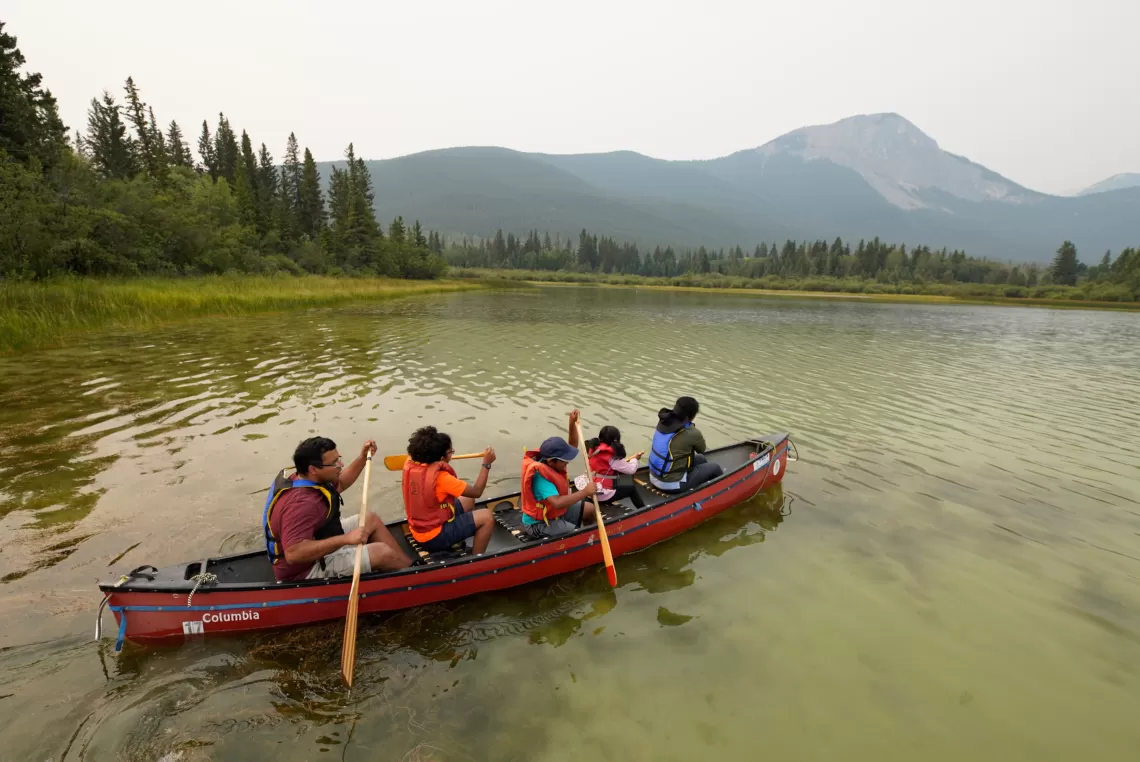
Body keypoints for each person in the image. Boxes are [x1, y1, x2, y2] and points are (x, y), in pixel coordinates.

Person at [263, 436, 411, 582]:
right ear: (313, 469)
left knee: (369, 519)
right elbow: (293, 553)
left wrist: (362, 458)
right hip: (305, 571)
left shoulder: (306, 478)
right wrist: (346, 539)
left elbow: (340, 484)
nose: (340, 464)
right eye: (334, 463)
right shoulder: (302, 503)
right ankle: (417, 581)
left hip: (318, 541)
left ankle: (409, 569)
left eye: (338, 458)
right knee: (381, 553)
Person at [402, 426, 497, 555]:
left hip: (419, 530)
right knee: (487, 517)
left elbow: (471, 495)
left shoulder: (411, 464)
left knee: (468, 499)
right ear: (441, 458)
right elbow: (477, 491)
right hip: (434, 538)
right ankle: (476, 561)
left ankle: (455, 540)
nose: (452, 454)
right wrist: (486, 464)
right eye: (450, 452)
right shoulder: (442, 478)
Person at [519, 409, 598, 539]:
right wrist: (584, 492)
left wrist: (571, 424)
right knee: (577, 534)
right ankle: (583, 541)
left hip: (553, 512)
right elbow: (557, 502)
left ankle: (592, 538)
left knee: (589, 509)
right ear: (551, 462)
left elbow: (572, 445)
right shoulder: (541, 477)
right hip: (539, 523)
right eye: (564, 461)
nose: (567, 463)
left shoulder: (553, 462)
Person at [648, 396, 723, 493]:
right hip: (669, 485)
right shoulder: (691, 432)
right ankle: (723, 493)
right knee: (715, 468)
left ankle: (701, 488)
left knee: (701, 459)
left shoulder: (664, 422)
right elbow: (702, 449)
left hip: (653, 476)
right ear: (690, 417)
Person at [584, 426, 646, 509]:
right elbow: (631, 470)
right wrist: (635, 459)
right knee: (631, 487)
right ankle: (643, 509)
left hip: (589, 488)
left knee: (621, 477)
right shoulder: (612, 456)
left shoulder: (593, 449)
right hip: (600, 494)